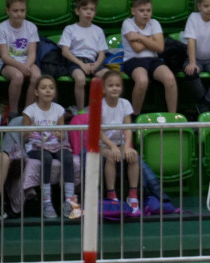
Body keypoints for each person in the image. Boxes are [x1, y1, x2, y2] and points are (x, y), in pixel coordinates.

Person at [23, 76, 79, 219]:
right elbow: (23, 135)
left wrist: (60, 134)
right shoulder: (30, 110)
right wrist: (30, 132)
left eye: (51, 88)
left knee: (67, 157)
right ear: (36, 92)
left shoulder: (59, 109)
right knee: (46, 158)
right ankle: (46, 202)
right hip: (36, 146)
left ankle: (69, 201)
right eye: (43, 88)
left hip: (55, 144)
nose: (48, 91)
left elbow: (62, 134)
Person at [122, 0, 177, 114]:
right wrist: (152, 39)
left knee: (170, 78)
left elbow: (160, 47)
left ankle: (173, 115)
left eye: (148, 10)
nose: (145, 14)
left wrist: (140, 37)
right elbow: (137, 48)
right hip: (133, 60)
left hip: (153, 60)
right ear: (133, 11)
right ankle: (135, 115)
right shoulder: (127, 23)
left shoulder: (154, 23)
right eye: (141, 11)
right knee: (142, 80)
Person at [98, 73, 142, 215]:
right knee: (112, 156)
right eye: (110, 85)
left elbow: (128, 128)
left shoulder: (125, 103)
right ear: (103, 89)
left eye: (117, 85)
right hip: (103, 145)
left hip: (120, 143)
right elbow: (98, 131)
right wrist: (112, 146)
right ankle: (112, 195)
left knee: (133, 155)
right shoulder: (99, 104)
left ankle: (133, 195)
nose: (114, 88)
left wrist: (127, 147)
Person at [59, 0, 109, 112]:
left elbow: (101, 53)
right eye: (85, 9)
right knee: (80, 79)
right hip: (76, 61)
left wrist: (96, 65)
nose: (88, 12)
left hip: (93, 61)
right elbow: (65, 52)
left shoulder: (98, 30)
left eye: (92, 9)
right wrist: (81, 64)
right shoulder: (70, 29)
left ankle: (103, 109)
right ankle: (80, 111)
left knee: (108, 76)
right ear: (77, 11)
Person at [0, 0, 41, 120]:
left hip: (27, 62)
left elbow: (32, 53)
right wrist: (21, 67)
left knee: (36, 76)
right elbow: (4, 56)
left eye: (22, 10)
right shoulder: (1, 28)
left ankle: (27, 112)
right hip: (9, 63)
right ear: (8, 11)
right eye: (15, 10)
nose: (19, 14)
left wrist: (26, 66)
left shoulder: (31, 27)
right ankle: (13, 112)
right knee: (18, 76)